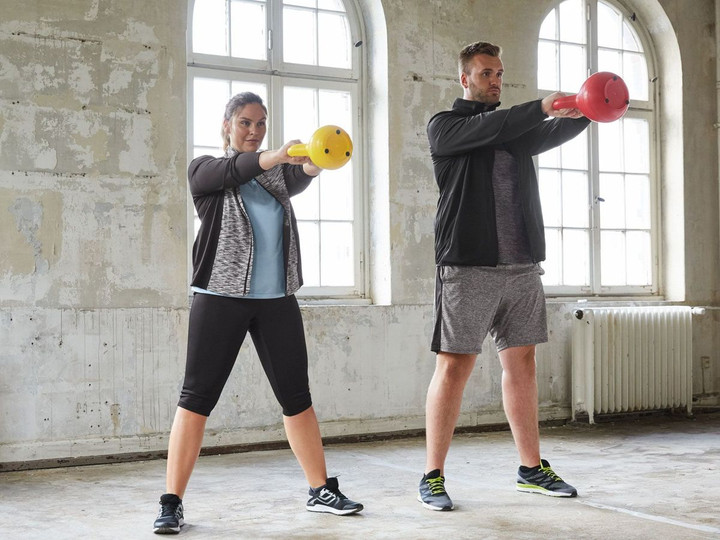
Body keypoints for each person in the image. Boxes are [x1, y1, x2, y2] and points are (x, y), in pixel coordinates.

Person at [153, 92, 363, 534]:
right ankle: (171, 502)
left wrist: (316, 160)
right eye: (245, 122)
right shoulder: (205, 171)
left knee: (297, 397)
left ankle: (320, 489)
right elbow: (239, 169)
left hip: (276, 301)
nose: (254, 130)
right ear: (227, 125)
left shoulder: (274, 179)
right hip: (219, 298)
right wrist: (279, 155)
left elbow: (300, 176)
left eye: (261, 123)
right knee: (196, 399)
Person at [419, 42, 591, 511]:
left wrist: (588, 109)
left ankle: (531, 469)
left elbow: (549, 132)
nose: (495, 80)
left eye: (499, 73)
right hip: (468, 267)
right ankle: (432, 475)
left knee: (522, 365)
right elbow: (498, 125)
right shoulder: (445, 127)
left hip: (521, 267)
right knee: (454, 367)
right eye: (486, 73)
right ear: (465, 79)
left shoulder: (514, 133)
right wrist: (541, 106)